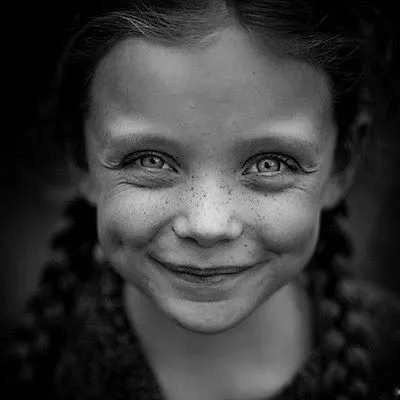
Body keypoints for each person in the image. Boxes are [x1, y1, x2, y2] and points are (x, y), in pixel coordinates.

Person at [1, 1, 399, 399]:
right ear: (80, 156)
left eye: (270, 164)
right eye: (150, 159)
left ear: (341, 163)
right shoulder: (33, 363)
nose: (207, 225)